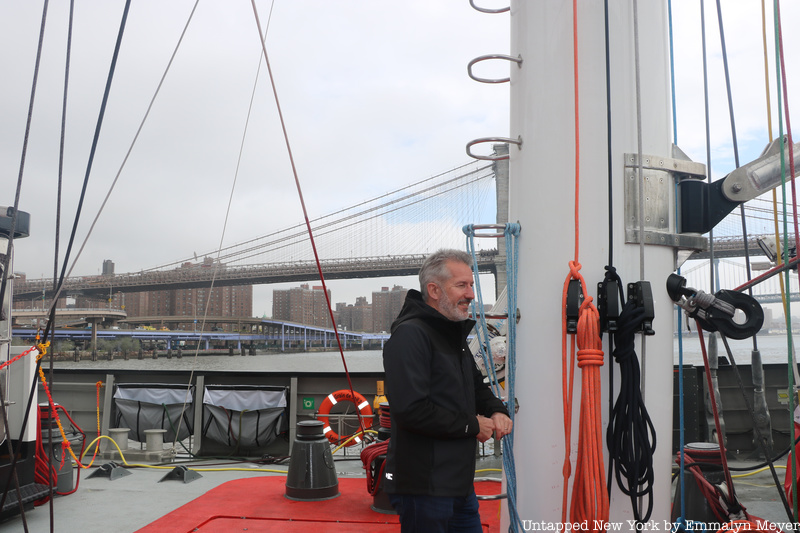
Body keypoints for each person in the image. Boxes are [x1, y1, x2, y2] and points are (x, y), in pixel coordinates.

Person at [382, 249, 513, 532]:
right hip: (424, 488)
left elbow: (475, 385)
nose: (471, 294)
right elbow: (411, 410)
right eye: (461, 285)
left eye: (471, 285)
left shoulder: (451, 334)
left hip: (458, 484)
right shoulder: (410, 335)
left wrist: (496, 410)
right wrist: (472, 425)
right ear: (434, 290)